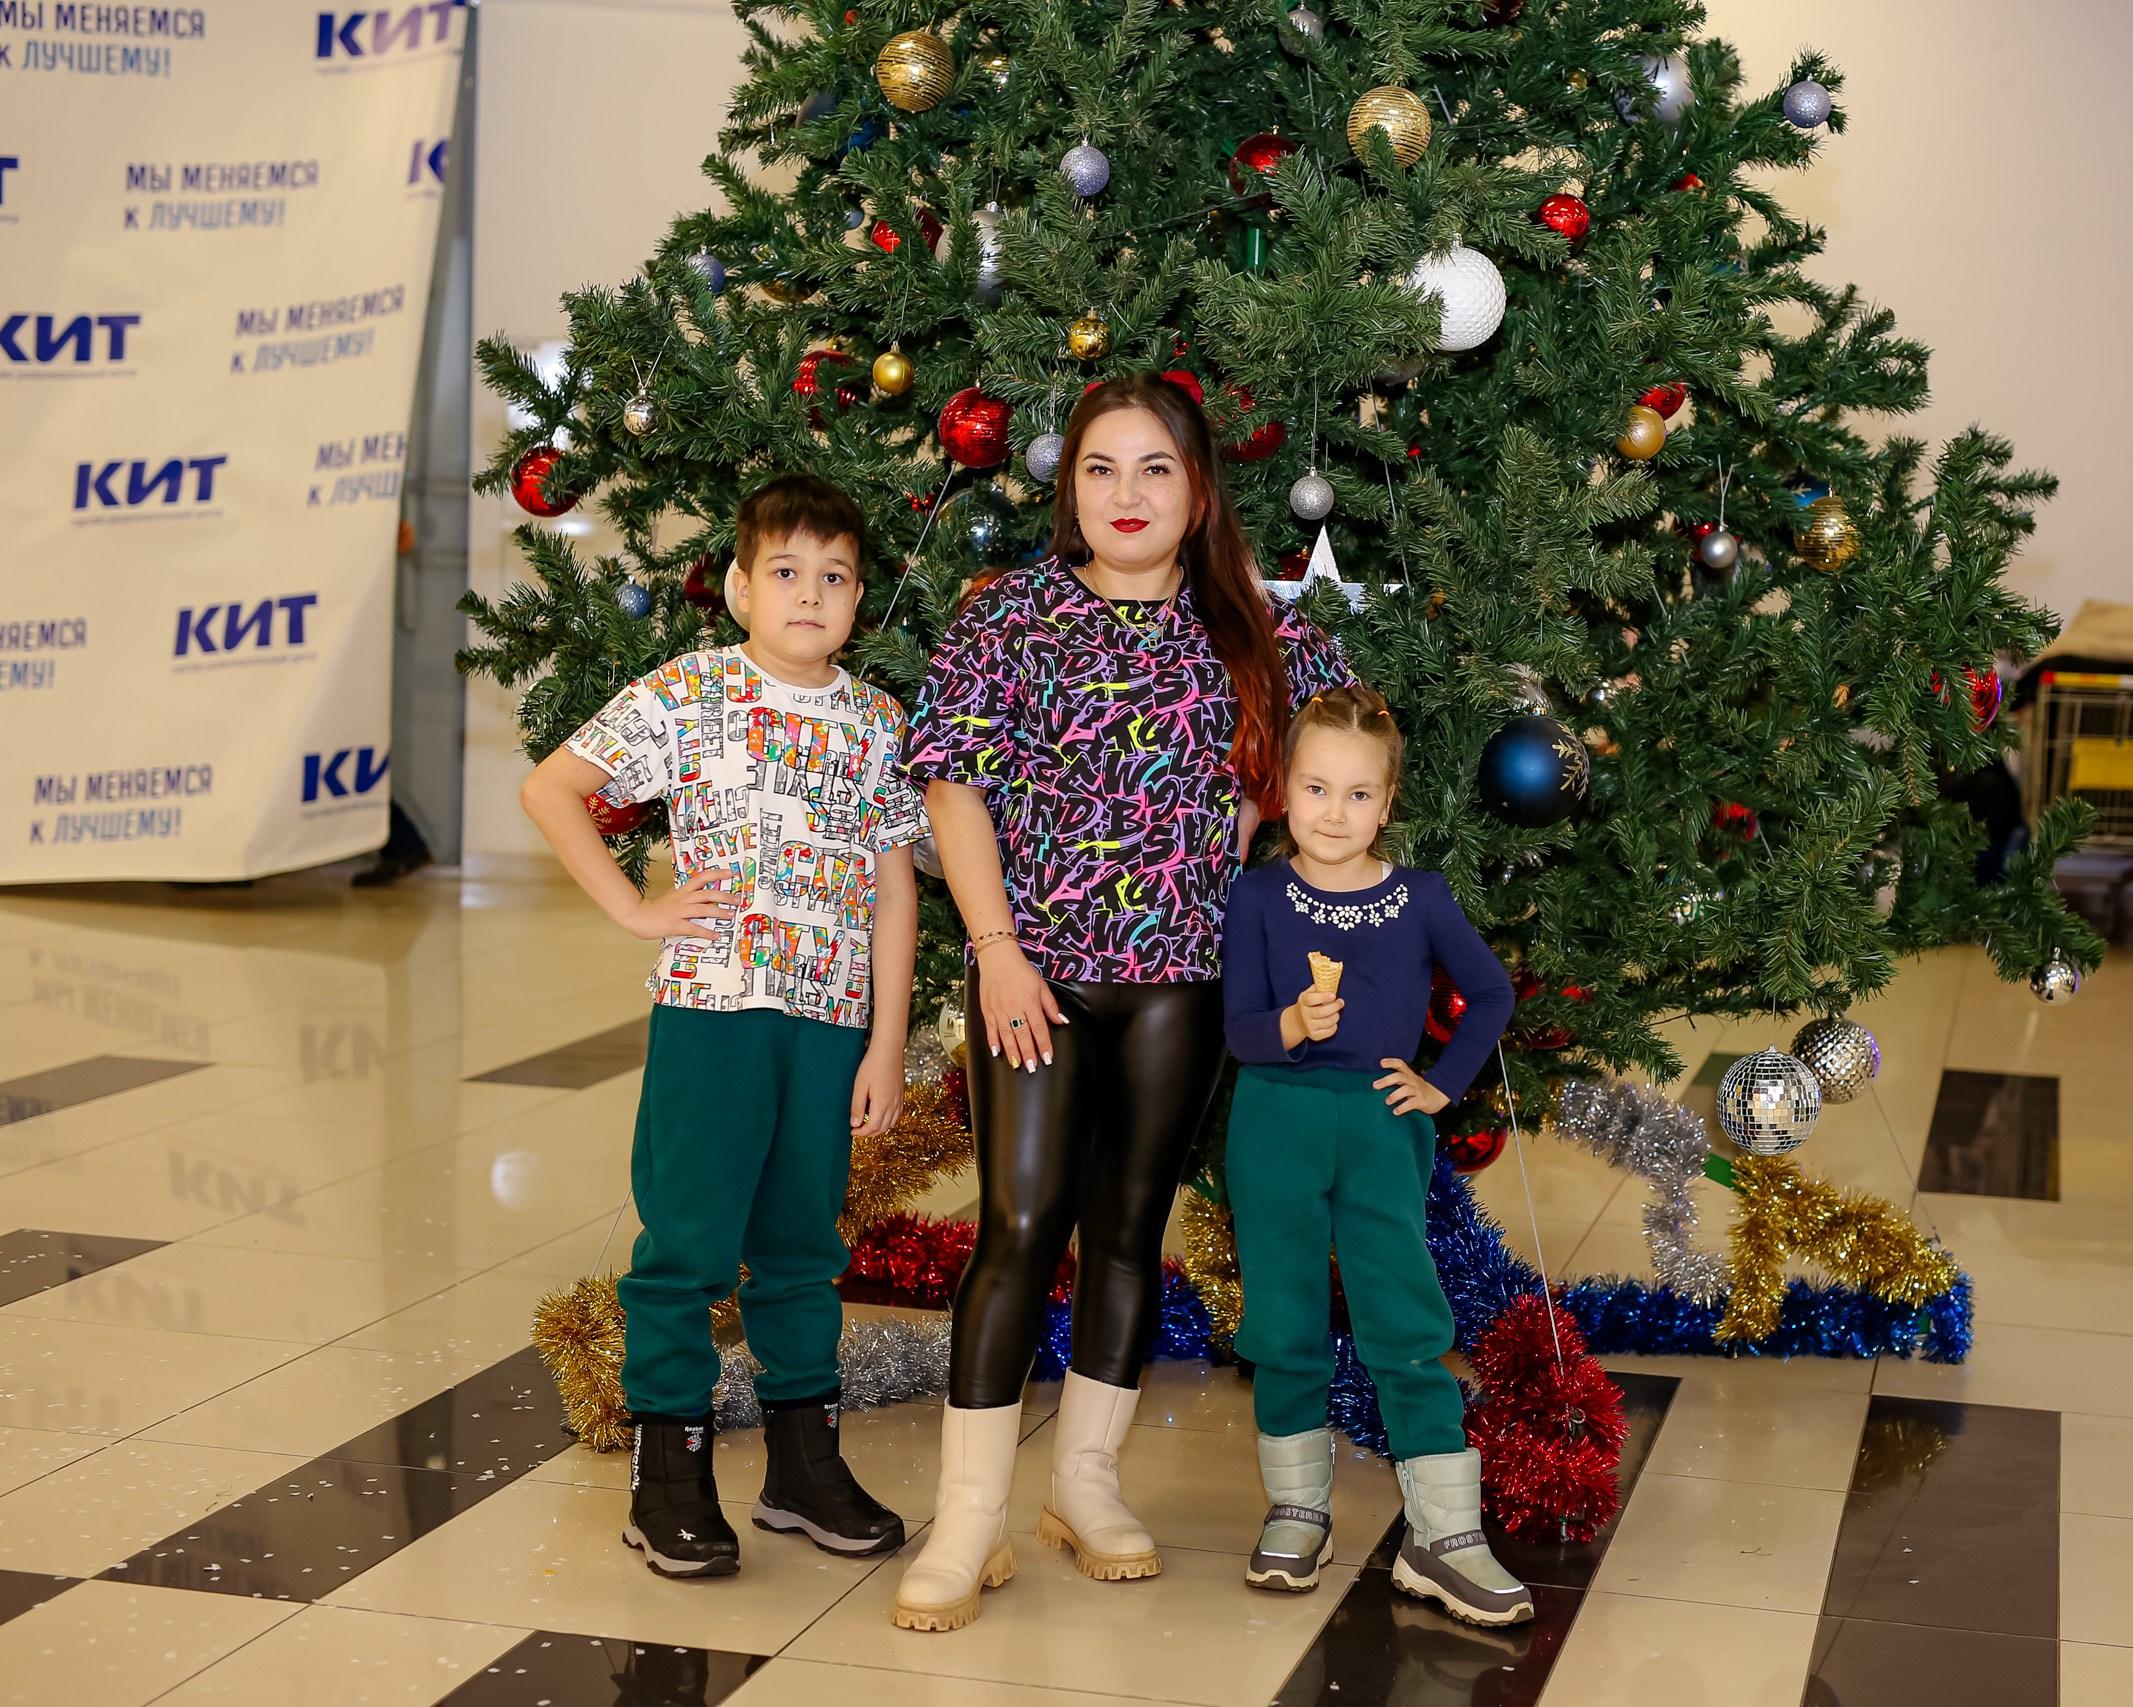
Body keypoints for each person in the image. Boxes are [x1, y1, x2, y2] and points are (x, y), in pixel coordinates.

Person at [892, 374, 1349, 1631]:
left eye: (1155, 469)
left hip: (1179, 985)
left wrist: (1242, 835)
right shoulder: (1010, 617)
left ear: (1198, 490)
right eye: (1101, 469)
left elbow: (1318, 775)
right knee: (1021, 1221)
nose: (1128, 495)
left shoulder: (1259, 627)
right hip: (1030, 974)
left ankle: (1084, 1483)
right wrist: (993, 948)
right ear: (1068, 488)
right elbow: (952, 788)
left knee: (1128, 1227)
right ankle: (970, 1517)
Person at [518, 475, 921, 1580]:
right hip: (712, 1011)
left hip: (830, 1021)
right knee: (688, 1247)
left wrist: (886, 1040)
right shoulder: (695, 687)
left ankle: (803, 1467)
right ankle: (669, 1479)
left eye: (834, 578)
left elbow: (894, 885)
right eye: (785, 573)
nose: (809, 595)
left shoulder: (879, 722)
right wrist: (635, 906)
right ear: (740, 586)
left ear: (858, 599)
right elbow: (553, 789)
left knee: (801, 1247)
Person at [1220, 685, 1534, 1627]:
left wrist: (1443, 1083)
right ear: (1284, 791)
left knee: (1403, 1313)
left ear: (1388, 803)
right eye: (1316, 788)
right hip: (1274, 1124)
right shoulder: (1259, 896)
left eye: (1359, 794)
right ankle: (1296, 1506)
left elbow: (1489, 994)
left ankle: (1443, 1531)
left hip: (1380, 1126)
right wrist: (1291, 1021)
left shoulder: (1419, 899)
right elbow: (1238, 1028)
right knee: (1283, 1319)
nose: (1334, 812)